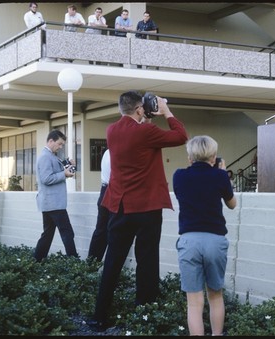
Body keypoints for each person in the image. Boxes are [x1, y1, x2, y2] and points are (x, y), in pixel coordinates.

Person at [88, 91, 188, 331]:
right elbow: (181, 136)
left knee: (113, 260)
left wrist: (146, 117)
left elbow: (138, 138)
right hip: (146, 208)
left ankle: (99, 316)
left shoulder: (111, 131)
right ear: (140, 110)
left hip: (120, 207)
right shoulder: (147, 132)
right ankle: (145, 313)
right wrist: (165, 111)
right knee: (147, 260)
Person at [173, 135, 237, 336]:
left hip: (189, 240)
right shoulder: (219, 176)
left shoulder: (179, 176)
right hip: (214, 240)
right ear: (214, 156)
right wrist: (223, 175)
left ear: (190, 157)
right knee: (215, 296)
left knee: (194, 303)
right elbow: (232, 204)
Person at [33, 130, 78, 262]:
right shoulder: (46, 157)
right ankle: (74, 262)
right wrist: (64, 174)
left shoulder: (51, 156)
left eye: (62, 145)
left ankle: (37, 260)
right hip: (53, 203)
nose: (60, 147)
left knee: (47, 234)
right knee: (67, 233)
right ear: (51, 141)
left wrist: (71, 167)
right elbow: (46, 179)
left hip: (50, 202)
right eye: (59, 144)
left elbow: (59, 174)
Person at [87, 149, 110, 261]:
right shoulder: (116, 153)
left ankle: (91, 265)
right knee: (114, 232)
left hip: (104, 191)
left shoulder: (107, 153)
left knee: (100, 231)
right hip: (112, 191)